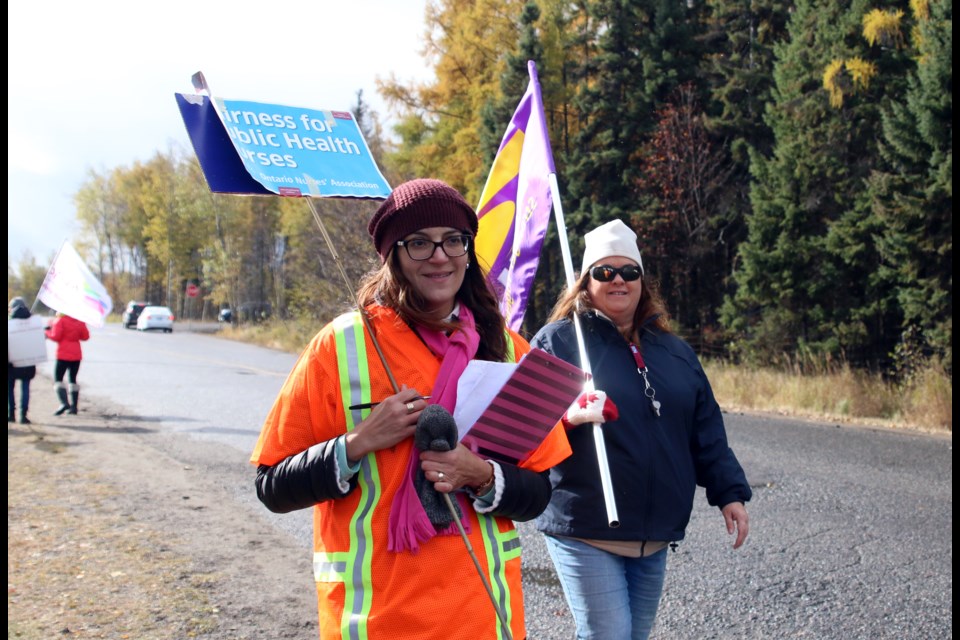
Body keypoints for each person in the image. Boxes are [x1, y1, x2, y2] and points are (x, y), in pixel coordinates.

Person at [251, 178, 572, 640]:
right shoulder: (341, 347)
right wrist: (358, 443)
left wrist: (479, 474)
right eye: (419, 243)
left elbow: (538, 492)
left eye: (453, 240)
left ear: (467, 250)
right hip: (376, 621)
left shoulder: (509, 351)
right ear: (393, 255)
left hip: (483, 618)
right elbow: (272, 486)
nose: (439, 256)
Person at [530, 219, 752, 640]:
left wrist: (730, 493)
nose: (618, 280)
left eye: (629, 271)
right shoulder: (558, 343)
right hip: (585, 527)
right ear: (585, 281)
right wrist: (569, 418)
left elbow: (705, 429)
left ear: (642, 281)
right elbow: (521, 432)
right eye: (604, 271)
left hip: (652, 536)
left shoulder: (675, 351)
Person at [44, 312, 90, 415]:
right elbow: (85, 336)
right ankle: (74, 407)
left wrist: (47, 332)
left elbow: (55, 336)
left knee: (58, 379)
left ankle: (64, 403)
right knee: (73, 379)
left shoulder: (60, 320)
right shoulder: (80, 321)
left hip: (63, 354)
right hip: (76, 354)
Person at [8, 297, 38, 424]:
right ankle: (23, 415)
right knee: (25, 388)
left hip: (11, 363)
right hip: (28, 362)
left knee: (10, 388)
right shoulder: (33, 323)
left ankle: (11, 415)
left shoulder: (9, 323)